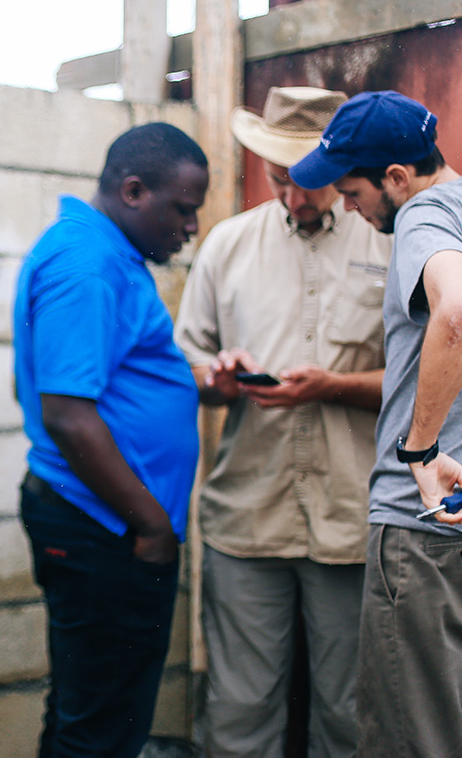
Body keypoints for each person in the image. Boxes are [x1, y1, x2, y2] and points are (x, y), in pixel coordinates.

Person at [291, 90, 462, 758]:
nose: (348, 207)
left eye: (353, 192)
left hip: (429, 529)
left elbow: (460, 307)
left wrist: (422, 447)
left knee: (412, 742)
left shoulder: (427, 215)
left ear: (397, 178)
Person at [174, 86, 392, 758]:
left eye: (314, 184)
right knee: (238, 716)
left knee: (350, 716)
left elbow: (425, 381)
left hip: (352, 520)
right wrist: (219, 378)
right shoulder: (227, 246)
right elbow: (187, 366)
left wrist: (333, 388)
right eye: (280, 180)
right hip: (248, 516)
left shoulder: (394, 244)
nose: (297, 199)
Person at [13, 122, 208, 758]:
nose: (191, 227)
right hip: (106, 527)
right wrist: (151, 525)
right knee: (104, 724)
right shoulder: (87, 264)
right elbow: (68, 414)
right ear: (132, 191)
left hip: (101, 522)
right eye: (183, 208)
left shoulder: (102, 253)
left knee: (91, 711)